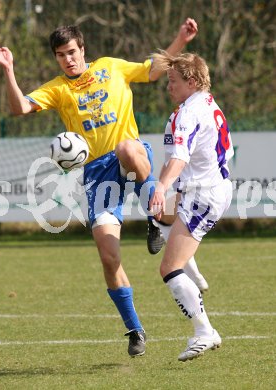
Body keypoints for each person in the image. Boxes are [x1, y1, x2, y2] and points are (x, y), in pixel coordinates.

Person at [0, 18, 199, 357]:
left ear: (82, 49)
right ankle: (135, 329)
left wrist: (179, 39)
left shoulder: (111, 67)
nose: (67, 59)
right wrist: (9, 70)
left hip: (128, 152)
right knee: (108, 255)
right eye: (60, 55)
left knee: (128, 148)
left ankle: (155, 220)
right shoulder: (58, 88)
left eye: (71, 52)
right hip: (96, 173)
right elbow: (20, 107)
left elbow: (152, 70)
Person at [149, 51, 234, 361]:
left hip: (204, 194)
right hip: (209, 188)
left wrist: (162, 185)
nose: (168, 86)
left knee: (168, 268)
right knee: (159, 215)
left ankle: (204, 331)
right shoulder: (208, 104)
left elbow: (180, 158)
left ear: (193, 81)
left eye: (173, 81)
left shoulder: (188, 113)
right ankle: (193, 273)